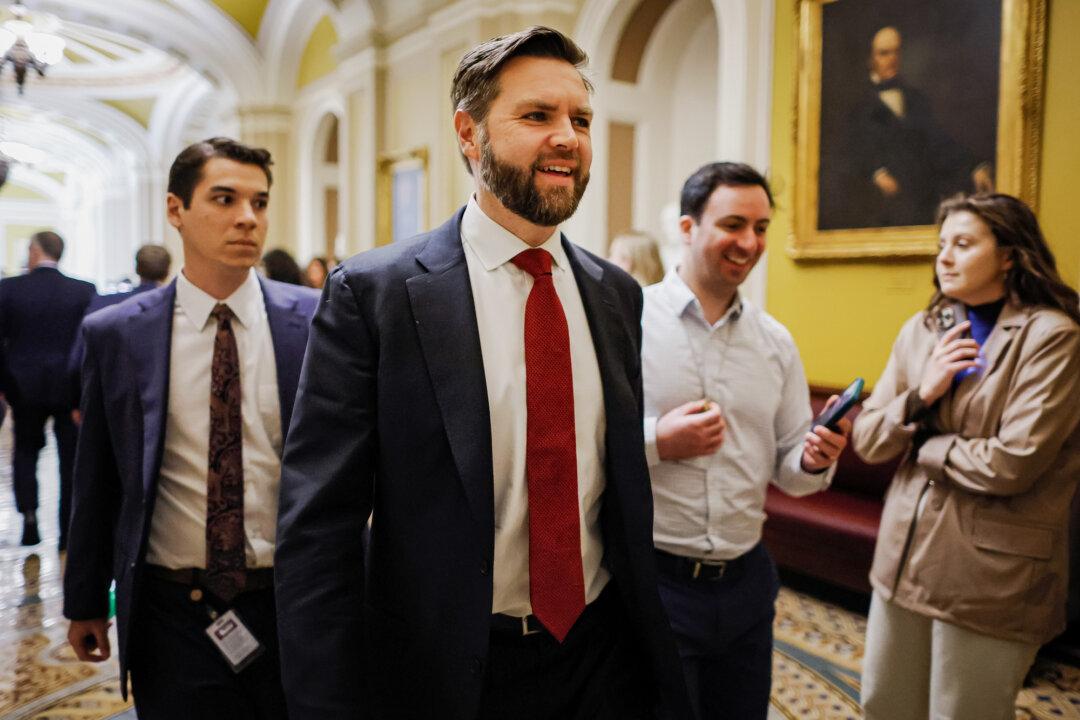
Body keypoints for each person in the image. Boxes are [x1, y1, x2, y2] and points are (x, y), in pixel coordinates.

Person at [274, 26, 691, 720]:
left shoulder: (614, 294)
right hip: (448, 671)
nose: (568, 137)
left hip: (600, 659)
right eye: (537, 116)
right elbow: (319, 529)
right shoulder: (375, 295)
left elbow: (615, 488)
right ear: (470, 135)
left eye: (580, 120)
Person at [62, 137, 319, 720]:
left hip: (293, 601)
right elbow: (98, 476)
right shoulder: (119, 335)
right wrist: (85, 600)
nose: (247, 218)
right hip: (172, 608)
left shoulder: (316, 321)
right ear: (176, 209)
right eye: (225, 199)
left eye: (259, 202)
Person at [853, 193, 1080, 720]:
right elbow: (868, 440)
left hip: (991, 574)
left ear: (1008, 255)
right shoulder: (922, 330)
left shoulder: (1053, 337)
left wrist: (925, 445)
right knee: (884, 705)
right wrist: (921, 395)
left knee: (964, 712)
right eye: (941, 246)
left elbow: (1012, 463)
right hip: (904, 556)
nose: (944, 258)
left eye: (963, 244)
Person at [641, 162, 850, 719]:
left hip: (747, 583)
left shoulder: (776, 343)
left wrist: (813, 458)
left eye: (761, 228)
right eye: (733, 224)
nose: (750, 243)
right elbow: (583, 442)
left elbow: (790, 469)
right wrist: (658, 440)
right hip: (655, 581)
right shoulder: (629, 323)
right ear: (687, 228)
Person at [819, 26, 992, 230]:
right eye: (884, 53)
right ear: (870, 59)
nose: (892, 59)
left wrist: (975, 166)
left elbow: (940, 143)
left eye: (896, 51)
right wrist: (875, 174)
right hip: (876, 210)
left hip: (921, 205)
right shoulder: (854, 103)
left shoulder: (916, 99)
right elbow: (845, 155)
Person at [0, 230, 95, 548]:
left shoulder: (9, 289)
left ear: (35, 251)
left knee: (25, 453)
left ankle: (29, 519)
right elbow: (87, 347)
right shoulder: (83, 291)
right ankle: (68, 532)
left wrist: (4, 385)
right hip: (68, 389)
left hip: (22, 386)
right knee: (71, 460)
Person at [68, 244, 173, 414]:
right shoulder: (176, 307)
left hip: (110, 404)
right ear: (168, 270)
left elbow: (78, 360)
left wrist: (77, 402)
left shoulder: (103, 304)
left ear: (137, 268)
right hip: (163, 407)